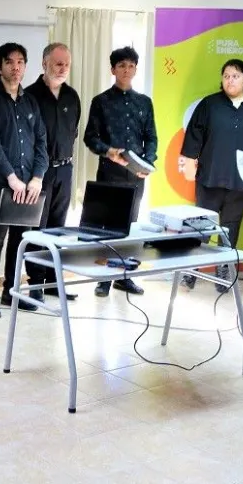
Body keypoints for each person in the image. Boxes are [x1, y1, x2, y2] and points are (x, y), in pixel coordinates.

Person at [181, 59, 243, 292]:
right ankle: (191, 271)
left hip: (242, 181)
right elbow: (193, 136)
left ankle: (223, 271)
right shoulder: (210, 104)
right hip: (209, 177)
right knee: (201, 227)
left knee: (230, 229)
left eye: (236, 76)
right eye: (227, 76)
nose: (230, 80)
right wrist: (190, 165)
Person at [0, 42, 48, 318]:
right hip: (0, 184)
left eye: (20, 62)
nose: (16, 67)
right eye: (9, 62)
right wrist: (12, 178)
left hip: (29, 184)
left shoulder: (30, 101)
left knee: (21, 240)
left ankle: (11, 291)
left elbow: (41, 140)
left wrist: (37, 177)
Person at [84, 46, 158, 297]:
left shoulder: (144, 102)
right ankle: (104, 278)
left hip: (136, 176)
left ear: (136, 69)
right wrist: (108, 151)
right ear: (113, 69)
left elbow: (151, 137)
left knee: (131, 225)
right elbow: (90, 137)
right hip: (109, 172)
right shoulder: (101, 101)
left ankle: (124, 276)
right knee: (107, 226)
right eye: (121, 66)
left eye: (131, 65)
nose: (126, 70)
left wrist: (148, 163)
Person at [25, 43, 81, 301]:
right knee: (38, 230)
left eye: (66, 64)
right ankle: (36, 285)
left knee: (58, 229)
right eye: (58, 63)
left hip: (65, 170)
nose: (63, 68)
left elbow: (74, 133)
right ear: (44, 63)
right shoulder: (29, 96)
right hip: (39, 174)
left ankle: (52, 283)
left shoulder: (72, 96)